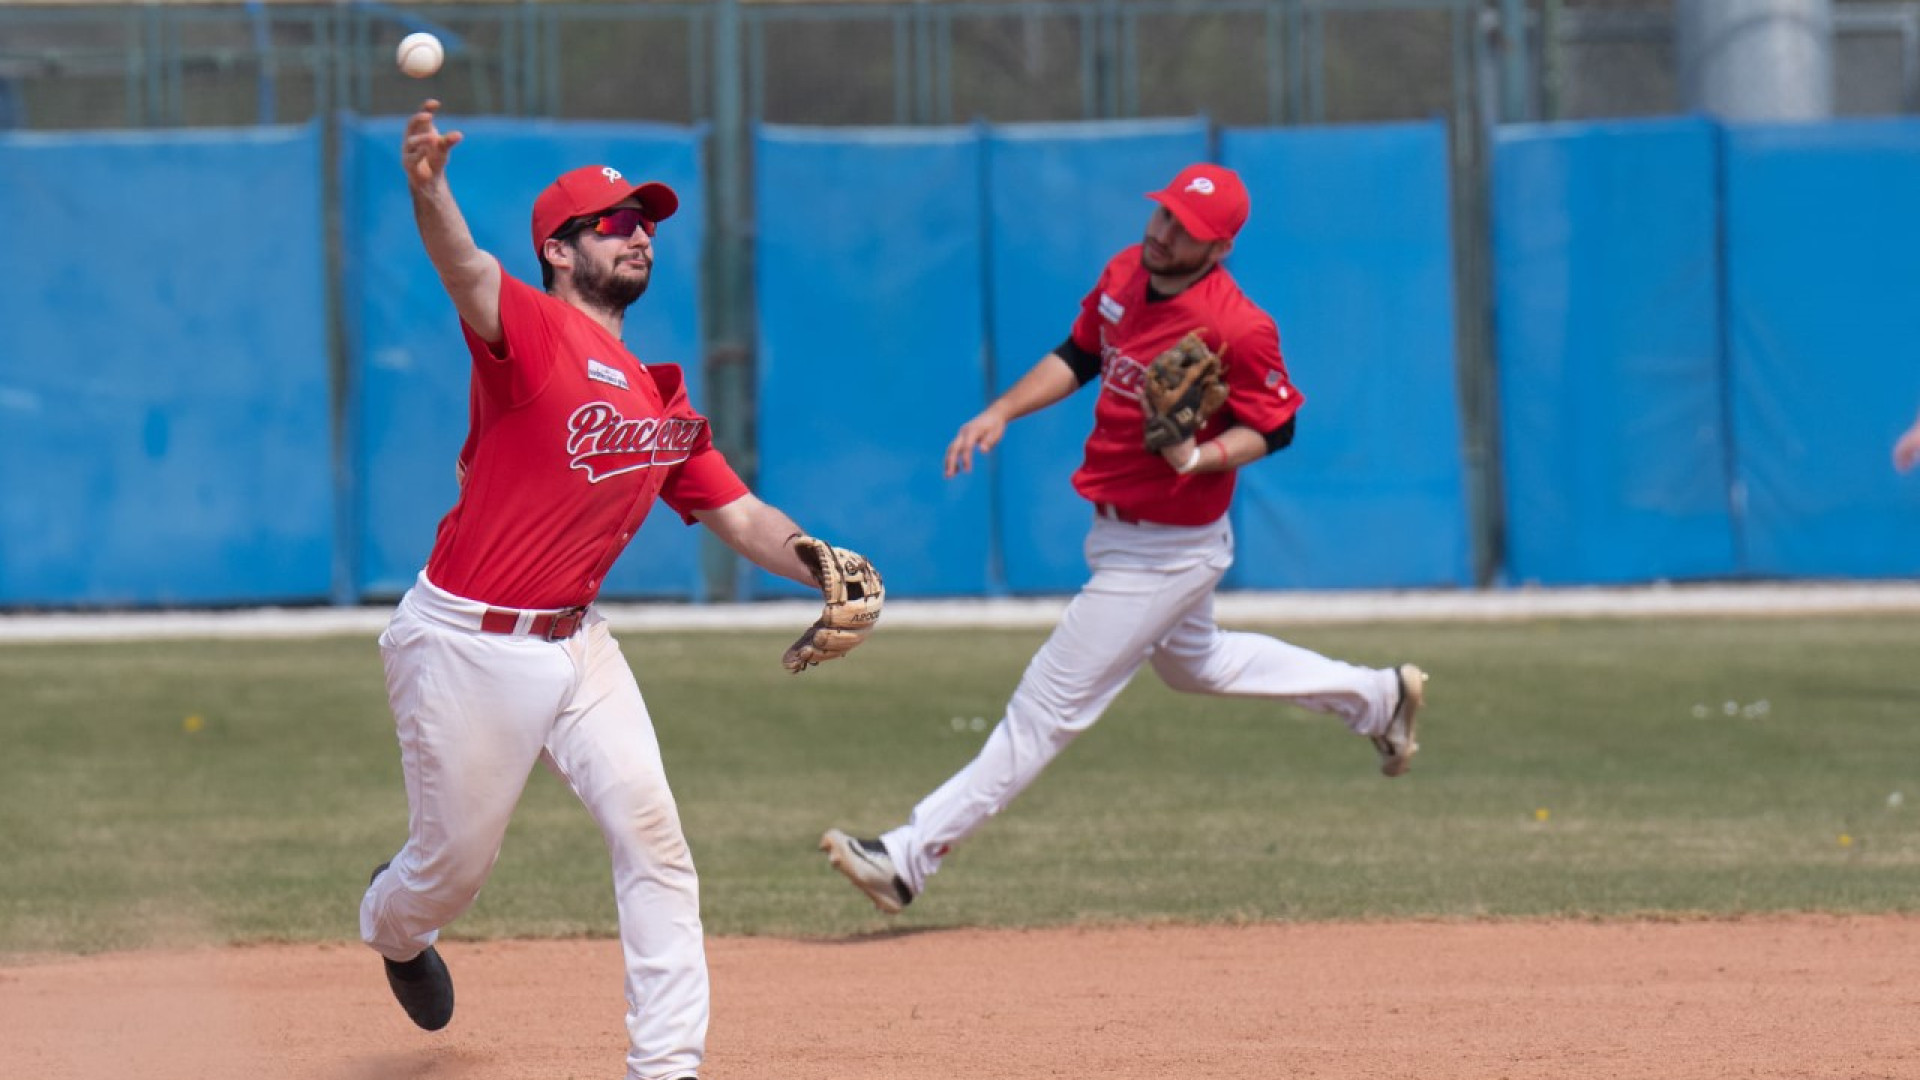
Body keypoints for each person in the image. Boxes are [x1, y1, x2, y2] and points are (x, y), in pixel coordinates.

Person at [362, 99, 882, 1080]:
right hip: (468, 643)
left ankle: (667, 1067)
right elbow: (464, 266)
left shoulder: (657, 395)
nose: (639, 233)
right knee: (448, 875)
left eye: (646, 222)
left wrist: (816, 558)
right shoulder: (532, 331)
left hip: (577, 645)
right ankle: (391, 924)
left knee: (655, 840)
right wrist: (429, 187)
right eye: (614, 223)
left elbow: (738, 515)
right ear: (560, 252)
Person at [819, 162, 1426, 915]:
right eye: (1166, 214)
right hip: (1120, 531)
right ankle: (1377, 697)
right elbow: (1078, 355)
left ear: (1220, 248)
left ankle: (910, 855)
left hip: (1169, 549)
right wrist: (1001, 412)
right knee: (1197, 664)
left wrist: (1202, 455)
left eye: (1187, 230)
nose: (1165, 232)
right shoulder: (1125, 273)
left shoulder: (1238, 326)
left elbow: (1277, 424)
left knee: (1044, 709)